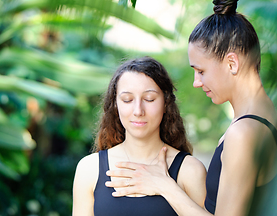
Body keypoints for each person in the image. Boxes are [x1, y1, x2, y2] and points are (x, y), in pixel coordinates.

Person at [105, 0, 277, 216]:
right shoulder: (268, 116)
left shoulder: (243, 132)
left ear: (232, 63)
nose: (197, 82)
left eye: (201, 71)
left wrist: (164, 185)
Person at [72, 56, 207, 216]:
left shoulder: (190, 170)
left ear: (166, 103)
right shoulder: (89, 169)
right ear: (115, 105)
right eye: (127, 100)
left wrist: (166, 186)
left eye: (149, 99)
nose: (138, 111)